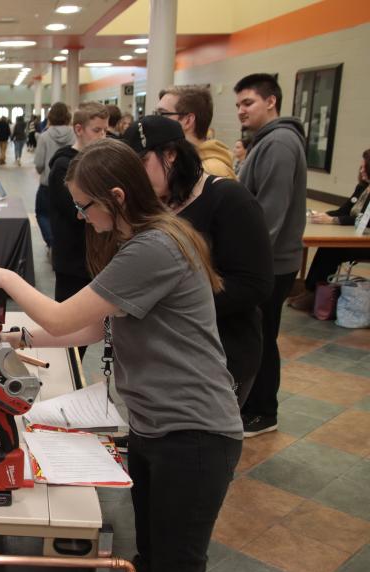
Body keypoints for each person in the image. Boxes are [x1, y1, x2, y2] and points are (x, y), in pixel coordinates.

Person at [0, 138, 242, 572]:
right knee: (154, 563)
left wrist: (9, 278)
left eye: (84, 205)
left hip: (194, 434)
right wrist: (17, 336)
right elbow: (96, 326)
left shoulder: (154, 248)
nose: (79, 216)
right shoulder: (144, 242)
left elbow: (60, 313)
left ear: (117, 197)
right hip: (156, 428)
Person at [126, 116, 273, 406]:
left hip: (221, 352)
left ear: (171, 154)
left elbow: (254, 285)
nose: (137, 178)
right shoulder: (158, 203)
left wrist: (176, 303)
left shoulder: (229, 199)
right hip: (166, 352)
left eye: (142, 164)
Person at [235, 73, 307, 436]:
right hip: (266, 262)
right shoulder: (266, 142)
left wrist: (246, 264)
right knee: (258, 334)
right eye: (238, 105)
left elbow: (269, 215)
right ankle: (256, 405)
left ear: (271, 102)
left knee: (261, 337)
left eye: (247, 103)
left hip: (270, 265)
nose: (241, 111)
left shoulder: (279, 143)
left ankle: (263, 411)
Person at [288, 149, 370, 311]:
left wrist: (333, 220)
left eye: (364, 167)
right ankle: (310, 289)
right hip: (354, 238)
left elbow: (364, 220)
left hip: (365, 243)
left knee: (332, 250)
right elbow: (344, 210)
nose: (361, 171)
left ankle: (315, 293)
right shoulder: (362, 188)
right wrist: (323, 215)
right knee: (325, 247)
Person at [47, 103, 108, 312]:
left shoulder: (101, 161)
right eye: (96, 130)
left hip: (101, 257)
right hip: (73, 259)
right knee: (70, 326)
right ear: (79, 129)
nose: (102, 136)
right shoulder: (63, 166)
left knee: (109, 326)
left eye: (105, 130)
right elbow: (76, 212)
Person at [156, 85, 236, 179]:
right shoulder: (185, 162)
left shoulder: (213, 172)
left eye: (162, 114)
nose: (156, 120)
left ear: (188, 121)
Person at [34, 102, 75, 249]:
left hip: (47, 184)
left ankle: (52, 242)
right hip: (70, 184)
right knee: (64, 216)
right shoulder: (75, 134)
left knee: (42, 214)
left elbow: (38, 162)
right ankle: (61, 244)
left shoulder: (44, 136)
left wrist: (42, 171)